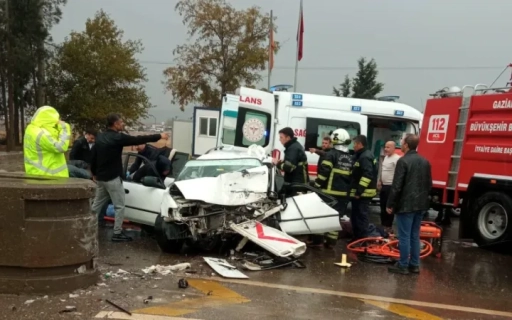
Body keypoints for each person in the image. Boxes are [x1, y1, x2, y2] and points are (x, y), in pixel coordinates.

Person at [90, 114, 168, 242]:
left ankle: (85, 227)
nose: (123, 124)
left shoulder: (100, 137)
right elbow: (138, 139)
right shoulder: (118, 138)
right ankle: (117, 233)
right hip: (113, 178)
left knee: (96, 206)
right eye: (121, 122)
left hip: (101, 178)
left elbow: (93, 157)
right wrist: (160, 136)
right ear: (115, 124)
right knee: (119, 206)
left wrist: (93, 173)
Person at [386, 134, 432, 275]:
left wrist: (390, 203)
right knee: (414, 235)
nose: (402, 144)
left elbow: (397, 186)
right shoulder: (425, 162)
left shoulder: (403, 161)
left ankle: (403, 265)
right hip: (420, 204)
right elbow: (429, 184)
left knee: (404, 236)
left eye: (402, 142)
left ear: (406, 145)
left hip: (406, 205)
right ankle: (415, 265)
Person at [313, 129, 354, 248]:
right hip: (343, 194)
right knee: (336, 217)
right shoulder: (350, 157)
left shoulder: (330, 154)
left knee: (321, 216)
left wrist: (317, 185)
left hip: (328, 193)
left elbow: (324, 171)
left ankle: (318, 241)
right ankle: (331, 243)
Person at [24, 106, 71, 177]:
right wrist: (65, 128)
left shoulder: (31, 129)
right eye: (56, 120)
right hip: (48, 176)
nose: (58, 121)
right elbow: (61, 147)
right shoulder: (41, 134)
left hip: (35, 172)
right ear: (49, 120)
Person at [349, 135, 378, 241]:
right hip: (360, 193)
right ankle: (357, 237)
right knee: (356, 216)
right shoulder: (361, 155)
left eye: (354, 144)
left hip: (363, 193)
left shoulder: (365, 156)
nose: (353, 146)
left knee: (361, 216)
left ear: (360, 144)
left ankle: (362, 239)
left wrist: (359, 192)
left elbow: (367, 175)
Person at [307, 136, 333, 247]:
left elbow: (324, 154)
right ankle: (317, 239)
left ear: (331, 144)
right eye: (323, 142)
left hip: (325, 187)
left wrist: (316, 151)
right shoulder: (325, 153)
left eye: (326, 143)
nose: (324, 144)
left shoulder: (330, 153)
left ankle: (319, 240)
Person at [272, 127, 309, 195]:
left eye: (281, 137)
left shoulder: (293, 149)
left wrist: (277, 163)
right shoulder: (294, 146)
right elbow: (293, 163)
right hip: (297, 183)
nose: (279, 140)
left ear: (288, 138)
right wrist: (282, 162)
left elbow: (289, 167)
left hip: (296, 185)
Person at [377, 140, 401, 231]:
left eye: (388, 147)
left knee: (389, 208)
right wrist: (380, 180)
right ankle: (383, 226)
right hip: (384, 186)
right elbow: (383, 171)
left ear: (394, 148)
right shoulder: (386, 158)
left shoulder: (397, 159)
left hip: (391, 187)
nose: (386, 149)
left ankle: (388, 226)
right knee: (382, 207)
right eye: (385, 147)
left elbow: (398, 174)